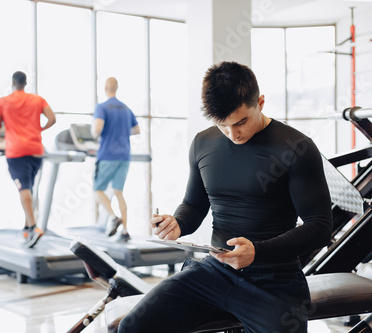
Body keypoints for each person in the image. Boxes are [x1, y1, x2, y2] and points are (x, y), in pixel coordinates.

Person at [119, 62, 332, 332]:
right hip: (214, 272)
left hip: (274, 280)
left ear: (261, 102)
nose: (233, 134)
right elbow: (194, 205)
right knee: (133, 327)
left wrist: (258, 252)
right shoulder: (202, 143)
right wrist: (178, 223)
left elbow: (320, 226)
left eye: (241, 122)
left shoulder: (297, 148)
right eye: (222, 125)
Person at [0, 71, 56, 248]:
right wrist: (39, 129)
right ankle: (27, 226)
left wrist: (8, 125)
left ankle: (34, 227)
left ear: (13, 83)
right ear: (25, 83)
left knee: (24, 187)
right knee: (29, 187)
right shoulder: (37, 99)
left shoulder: (4, 102)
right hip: (35, 149)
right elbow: (52, 119)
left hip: (16, 150)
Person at [91, 77, 140, 242]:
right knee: (118, 192)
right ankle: (125, 230)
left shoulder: (102, 107)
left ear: (106, 88)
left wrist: (94, 134)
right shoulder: (126, 108)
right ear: (117, 88)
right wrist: (121, 133)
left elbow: (97, 129)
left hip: (108, 155)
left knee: (98, 189)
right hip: (124, 154)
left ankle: (113, 217)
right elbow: (137, 129)